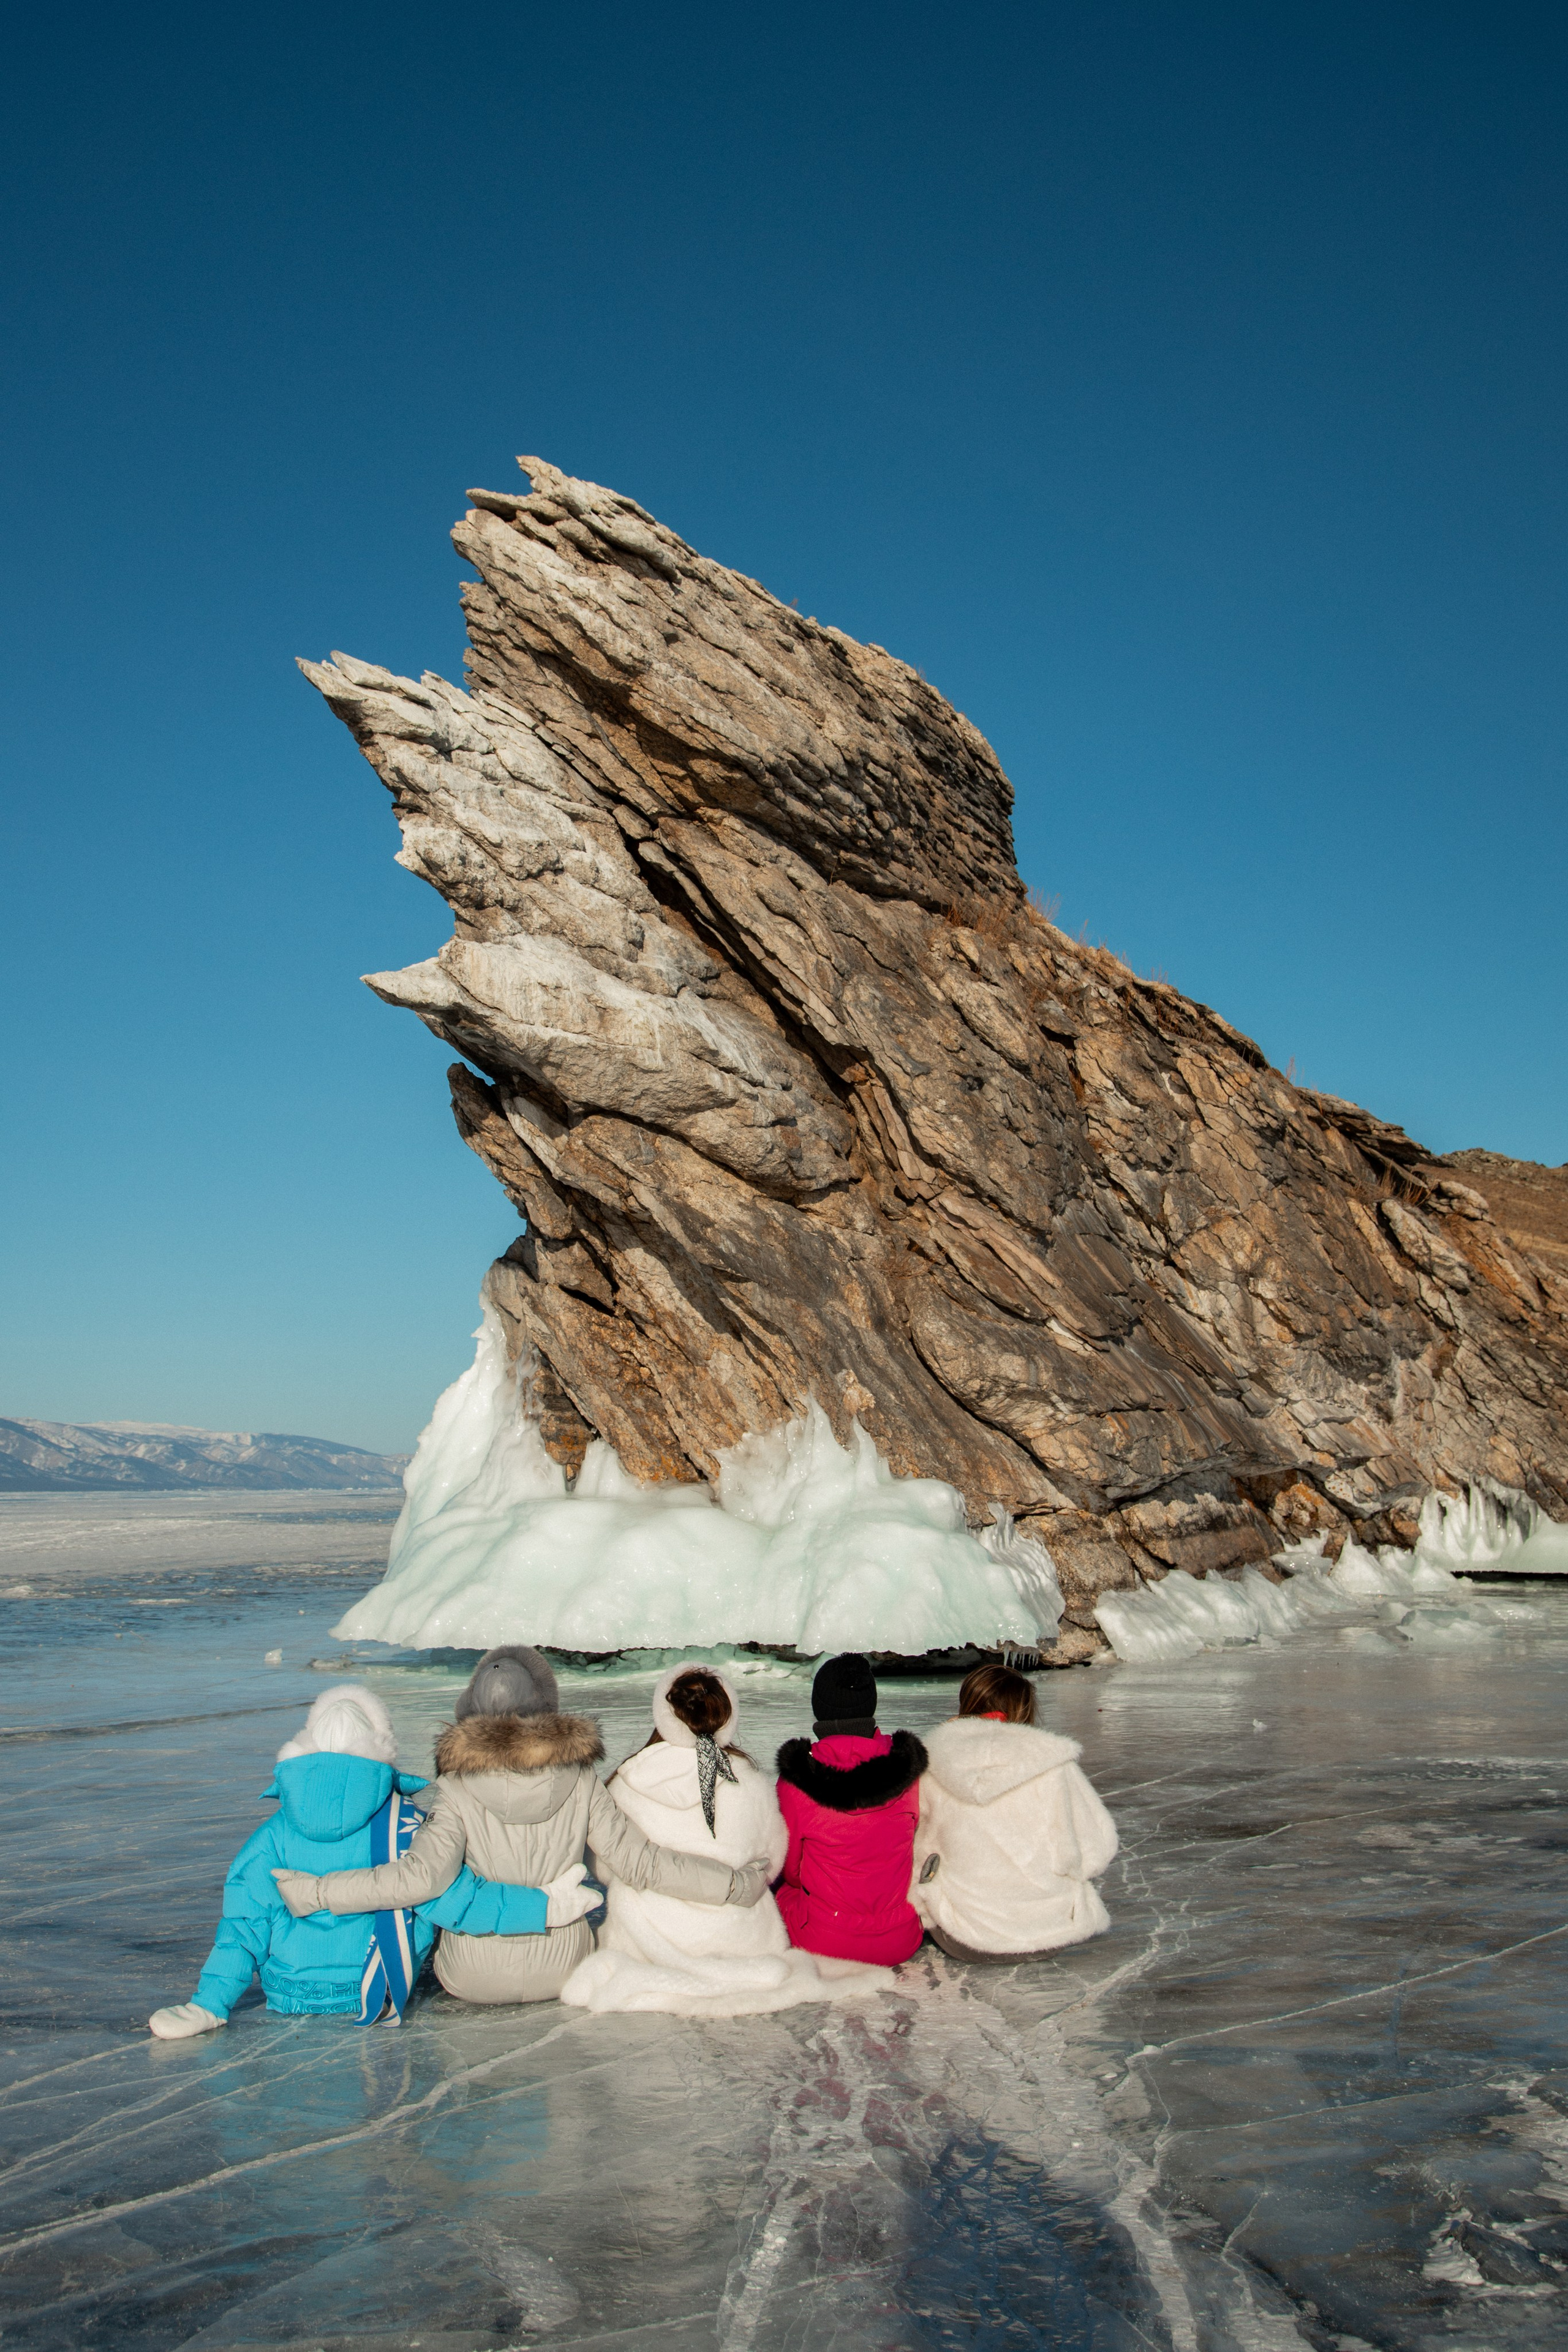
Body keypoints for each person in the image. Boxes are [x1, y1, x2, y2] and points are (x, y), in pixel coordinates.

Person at [273, 1645, 774, 2004]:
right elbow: (640, 1863)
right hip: (564, 1971)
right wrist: (736, 1885)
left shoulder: (455, 1788)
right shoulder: (579, 1780)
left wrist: (318, 1893)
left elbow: (420, 1879)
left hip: (469, 1978)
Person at [148, 1683, 571, 2039]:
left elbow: (243, 1927)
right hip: (376, 1989)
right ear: (382, 1752)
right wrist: (543, 1906)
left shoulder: (271, 1838)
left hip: (288, 1991)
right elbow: (452, 1898)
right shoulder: (405, 1826)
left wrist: (208, 2004)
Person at [562, 1663, 894, 2016]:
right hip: (742, 1939)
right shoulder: (749, 1782)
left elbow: (605, 1867)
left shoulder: (626, 1783)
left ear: (664, 1714)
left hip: (649, 1937)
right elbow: (772, 1864)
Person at [911, 1662, 1118, 1962]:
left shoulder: (928, 1762)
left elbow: (909, 1849)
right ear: (1024, 1709)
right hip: (1049, 1934)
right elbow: (1097, 1849)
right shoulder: (1053, 1762)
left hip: (961, 1937)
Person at [773, 1653, 927, 1967]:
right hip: (901, 1938)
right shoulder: (908, 1771)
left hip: (826, 1941)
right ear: (869, 1705)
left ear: (820, 1708)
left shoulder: (798, 1781)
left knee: (774, 1883)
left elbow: (791, 1871)